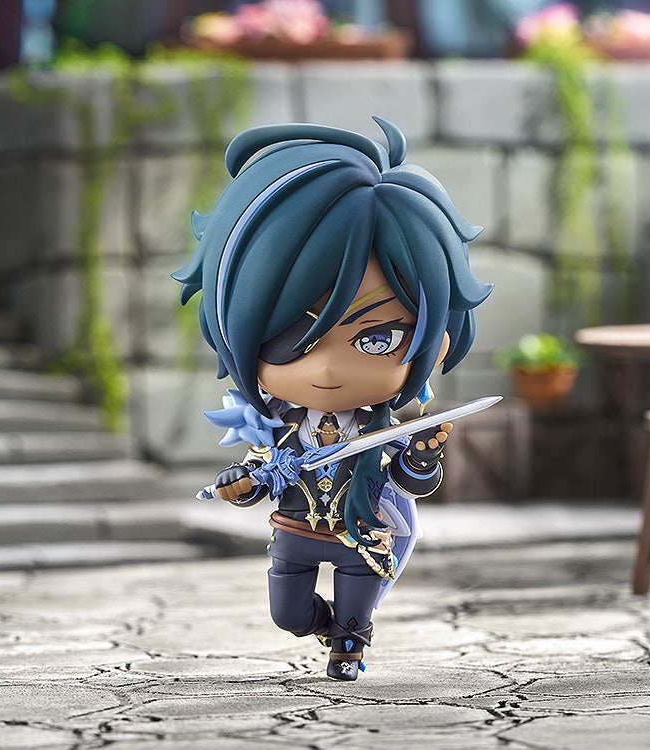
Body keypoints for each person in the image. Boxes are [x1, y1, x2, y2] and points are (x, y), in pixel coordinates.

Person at [173, 117, 492, 680]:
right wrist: (240, 484)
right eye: (289, 336)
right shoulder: (276, 427)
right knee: (288, 615)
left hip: (362, 535)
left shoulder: (381, 429)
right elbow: (259, 477)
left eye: (377, 338)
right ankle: (326, 628)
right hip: (296, 532)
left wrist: (421, 458)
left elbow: (408, 482)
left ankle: (349, 644)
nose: (324, 368)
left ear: (434, 342)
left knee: (353, 617)